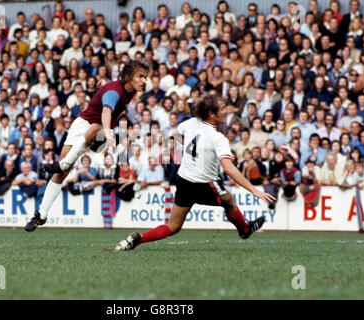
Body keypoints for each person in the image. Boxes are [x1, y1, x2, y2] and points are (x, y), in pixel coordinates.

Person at [115, 93, 275, 251]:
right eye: (222, 109)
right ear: (211, 114)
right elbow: (228, 168)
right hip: (203, 183)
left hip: (184, 180)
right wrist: (253, 190)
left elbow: (175, 133)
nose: (226, 111)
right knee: (229, 201)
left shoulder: (191, 123)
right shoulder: (218, 138)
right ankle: (245, 230)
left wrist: (193, 149)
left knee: (173, 226)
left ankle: (139, 239)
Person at [25, 60, 149, 232]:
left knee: (93, 130)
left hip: (97, 133)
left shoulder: (126, 90)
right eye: (140, 76)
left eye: (145, 77)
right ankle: (41, 215)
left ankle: (63, 163)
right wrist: (108, 131)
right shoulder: (115, 91)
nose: (144, 81)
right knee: (62, 174)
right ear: (128, 77)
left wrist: (105, 130)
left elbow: (108, 106)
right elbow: (106, 111)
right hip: (85, 125)